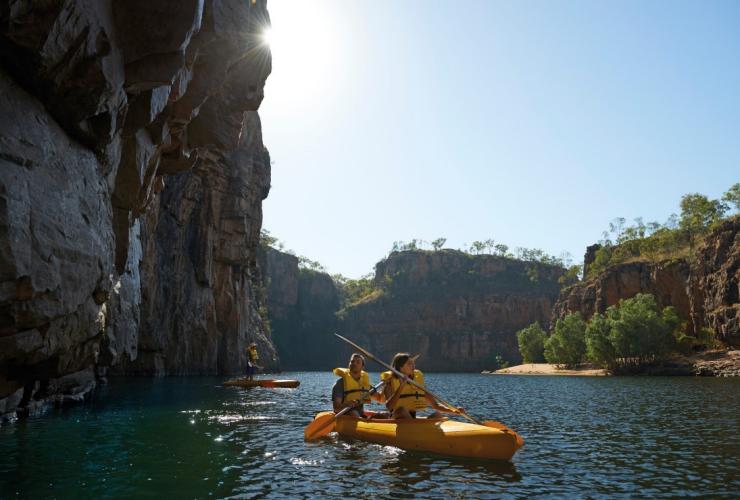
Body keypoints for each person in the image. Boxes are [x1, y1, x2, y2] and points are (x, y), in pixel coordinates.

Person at [382, 352, 463, 419]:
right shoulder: (389, 381)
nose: (413, 366)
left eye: (413, 363)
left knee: (437, 415)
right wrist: (401, 387)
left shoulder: (417, 381)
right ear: (400, 368)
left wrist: (453, 411)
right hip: (397, 418)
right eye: (409, 364)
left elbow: (435, 405)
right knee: (401, 410)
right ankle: (414, 432)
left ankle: (421, 432)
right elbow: (389, 407)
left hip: (412, 418)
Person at [332, 353, 384, 418]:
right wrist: (347, 404)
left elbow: (380, 399)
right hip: (345, 414)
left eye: (358, 362)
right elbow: (336, 408)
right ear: (349, 365)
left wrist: (385, 385)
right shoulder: (339, 384)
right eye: (352, 361)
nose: (354, 363)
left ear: (362, 367)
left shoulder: (365, 385)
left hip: (360, 414)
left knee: (384, 415)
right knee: (354, 413)